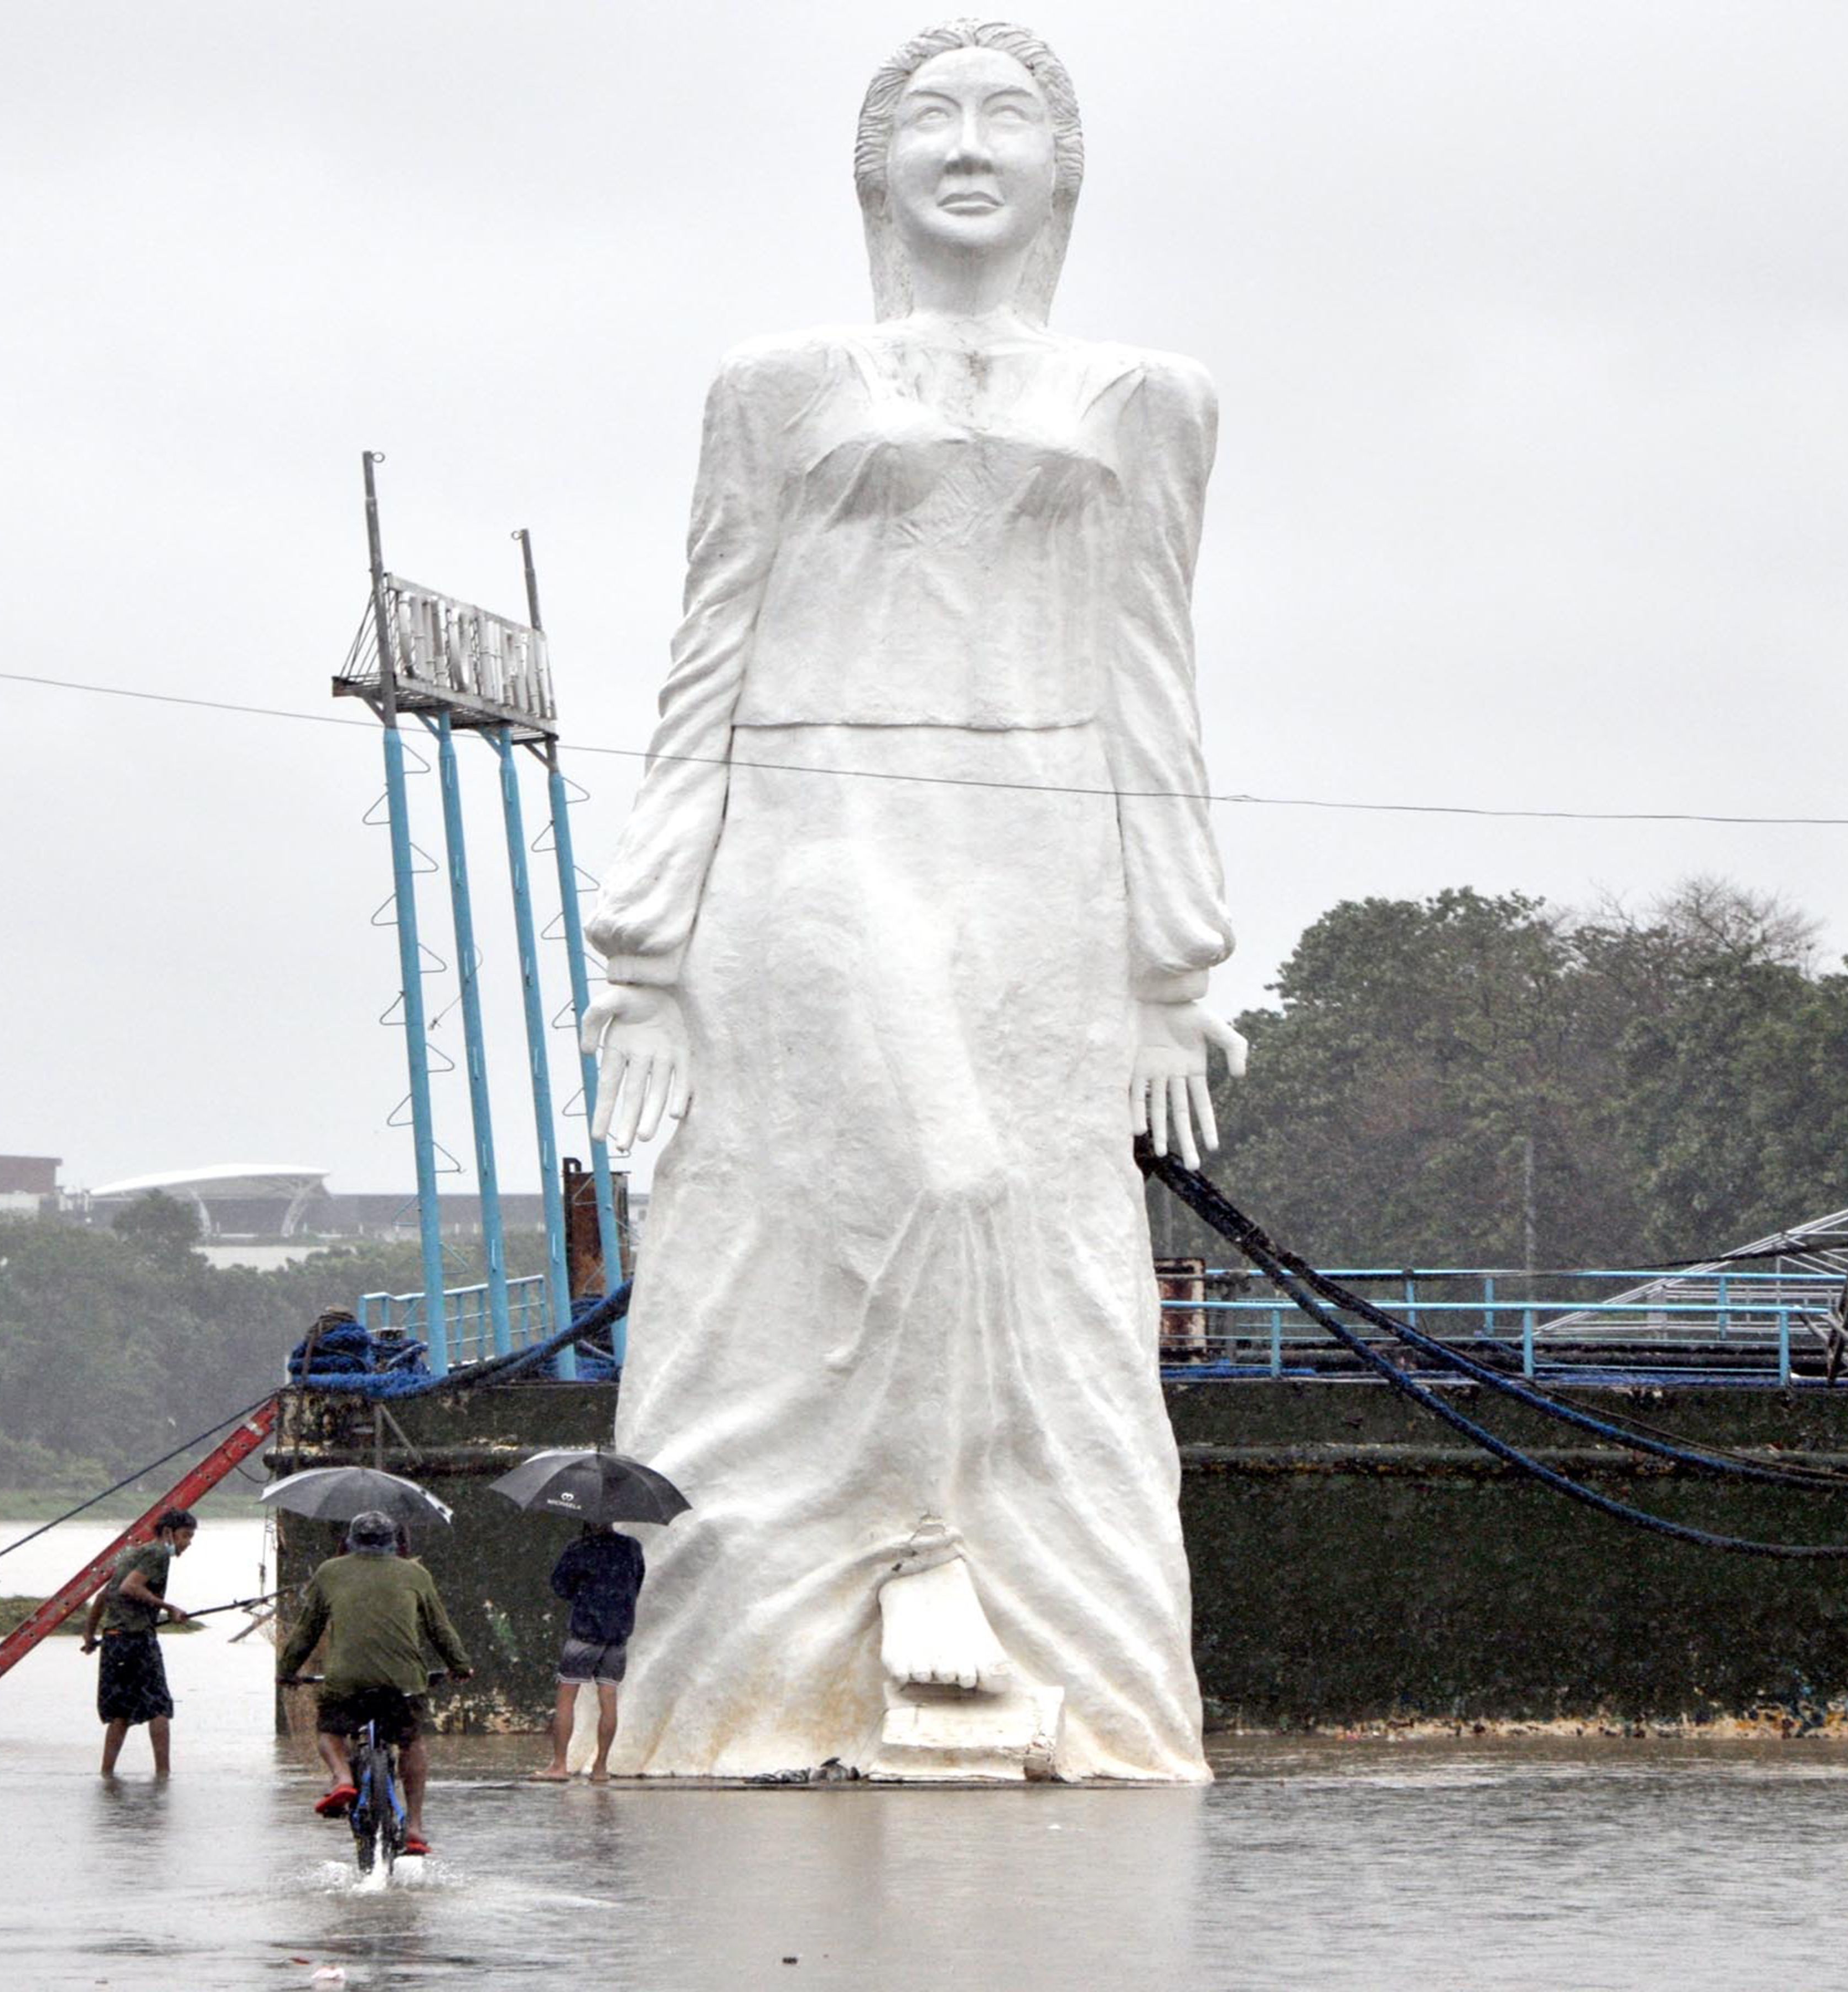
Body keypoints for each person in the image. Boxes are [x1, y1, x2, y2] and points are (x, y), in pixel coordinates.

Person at [577, 19, 1239, 1782]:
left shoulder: (1152, 396)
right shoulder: (776, 380)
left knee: (1053, 1246)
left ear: (1064, 165)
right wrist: (643, 948)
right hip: (816, 827)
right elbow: (704, 649)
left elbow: (1156, 665)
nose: (967, 143)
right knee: (925, 1180)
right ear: (867, 165)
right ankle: (897, 1567)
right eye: (925, 115)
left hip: (1041, 849)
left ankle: (1055, 1684)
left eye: (1009, 114)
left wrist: (1173, 958)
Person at [275, 1509, 474, 1854]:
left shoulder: (329, 1572)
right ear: (395, 1544)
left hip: (347, 1680)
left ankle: (343, 1778)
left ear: (350, 1543)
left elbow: (307, 1630)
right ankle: (414, 1827)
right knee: (411, 1743)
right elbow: (439, 1629)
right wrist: (460, 1665)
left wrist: (287, 1671)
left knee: (330, 1730)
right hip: (403, 1681)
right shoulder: (416, 1574)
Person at [80, 1508, 196, 1776]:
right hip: (137, 1640)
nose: (188, 1543)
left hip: (114, 1641)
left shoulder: (133, 1553)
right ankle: (164, 1776)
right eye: (186, 1536)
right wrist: (169, 1607)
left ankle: (107, 1775)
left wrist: (89, 1633)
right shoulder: (158, 1554)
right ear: (168, 1533)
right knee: (159, 1707)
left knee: (121, 1712)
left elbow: (103, 1596)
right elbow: (130, 1587)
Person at [539, 1521, 645, 1780]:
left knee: (566, 1698)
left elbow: (560, 1586)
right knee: (608, 1700)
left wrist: (586, 1593)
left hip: (585, 1632)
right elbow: (637, 1585)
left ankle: (560, 1766)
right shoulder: (632, 1548)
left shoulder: (580, 1548)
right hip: (618, 1635)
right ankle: (600, 1768)